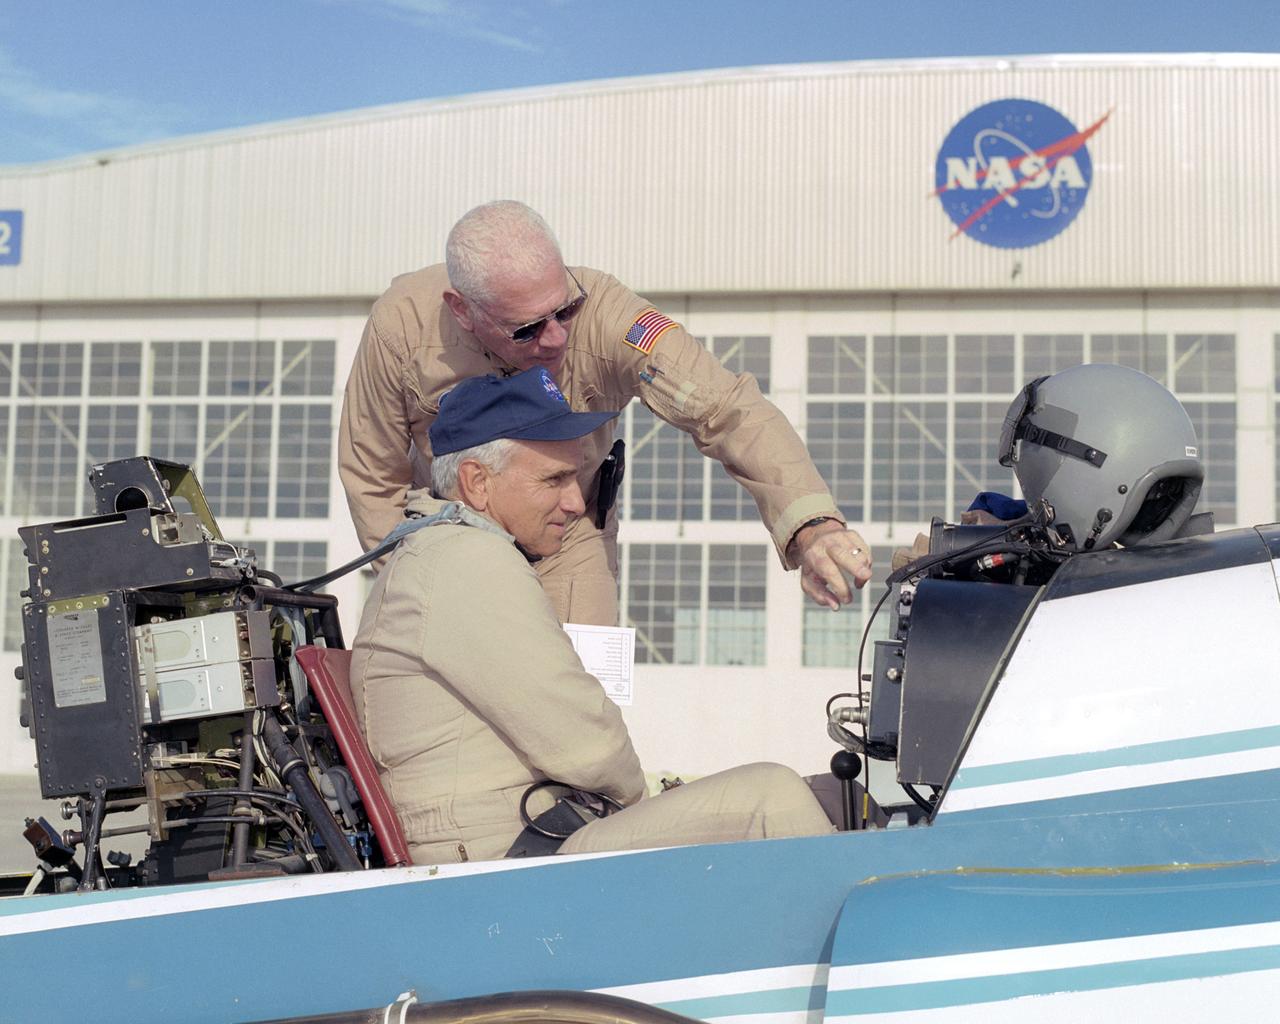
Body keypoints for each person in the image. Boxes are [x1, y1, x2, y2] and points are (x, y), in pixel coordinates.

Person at [349, 368, 835, 865]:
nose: (576, 502)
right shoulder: (465, 560)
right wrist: (644, 803)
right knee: (773, 797)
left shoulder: (444, 554)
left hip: (523, 835)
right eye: (553, 479)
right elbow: (587, 746)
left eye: (575, 477)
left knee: (810, 796)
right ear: (477, 482)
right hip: (496, 858)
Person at [339, 200, 871, 626]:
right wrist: (410, 575)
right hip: (444, 533)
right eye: (527, 329)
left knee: (581, 697)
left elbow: (729, 411)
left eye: (565, 309)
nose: (556, 338)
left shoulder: (612, 318)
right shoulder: (402, 325)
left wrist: (812, 527)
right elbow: (372, 474)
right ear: (463, 310)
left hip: (568, 535)